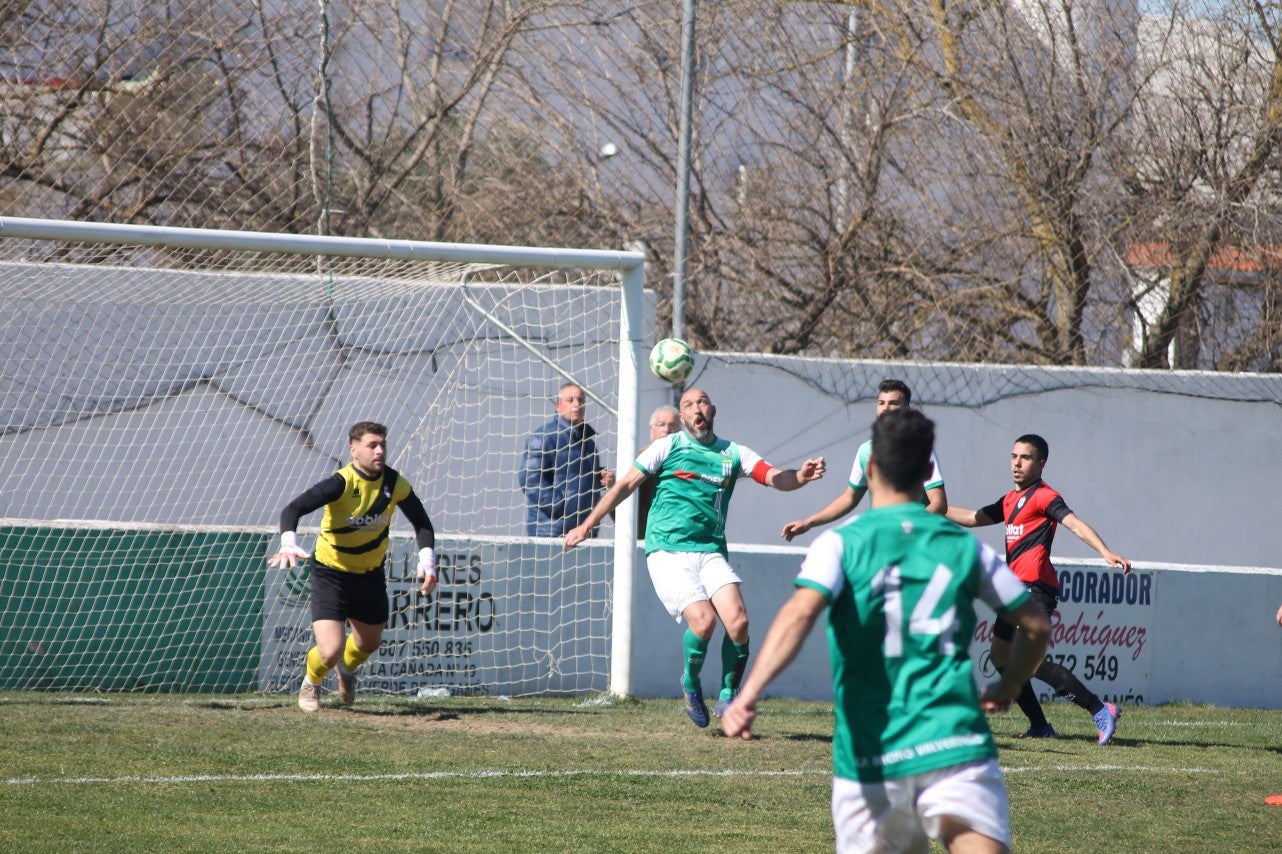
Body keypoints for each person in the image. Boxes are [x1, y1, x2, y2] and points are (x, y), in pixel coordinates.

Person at [722, 409, 1050, 854]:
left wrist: (749, 693)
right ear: (925, 473)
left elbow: (800, 613)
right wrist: (1009, 685)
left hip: (871, 753)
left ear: (871, 469)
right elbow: (1035, 624)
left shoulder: (841, 543)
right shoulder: (962, 547)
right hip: (954, 743)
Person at [564, 387, 826, 727]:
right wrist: (587, 525)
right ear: (683, 418)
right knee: (704, 622)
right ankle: (691, 683)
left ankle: (729, 694)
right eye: (687, 405)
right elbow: (625, 485)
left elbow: (774, 477)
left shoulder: (733, 453)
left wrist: (801, 477)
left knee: (739, 622)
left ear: (712, 410)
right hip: (668, 551)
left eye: (701, 402)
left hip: (710, 549)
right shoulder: (667, 446)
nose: (696, 408)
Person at [947, 433, 1132, 744]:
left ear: (1041, 463)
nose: (1017, 463)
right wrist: (928, 502)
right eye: (1014, 456)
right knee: (1001, 658)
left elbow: (1075, 524)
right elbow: (969, 517)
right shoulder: (1009, 500)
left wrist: (1105, 551)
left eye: (1026, 457)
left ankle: (1100, 710)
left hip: (1035, 589)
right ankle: (1040, 726)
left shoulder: (1045, 497)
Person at [268, 421, 438, 712]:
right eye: (372, 445)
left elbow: (421, 522)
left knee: (369, 643)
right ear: (353, 449)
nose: (379, 451)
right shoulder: (341, 482)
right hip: (331, 573)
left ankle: (346, 671)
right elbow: (292, 510)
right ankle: (312, 682)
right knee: (330, 649)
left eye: (383, 445)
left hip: (369, 575)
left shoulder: (394, 483)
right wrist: (288, 541)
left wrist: (428, 560)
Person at [782, 378, 946, 542]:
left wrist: (904, 527)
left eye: (893, 403)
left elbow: (938, 503)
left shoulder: (921, 449)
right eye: (881, 403)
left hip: (917, 541)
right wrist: (809, 522)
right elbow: (849, 498)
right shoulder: (866, 450)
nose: (885, 408)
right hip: (882, 542)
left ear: (906, 409)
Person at [519, 383, 615, 537]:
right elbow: (530, 481)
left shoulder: (588, 443)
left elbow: (575, 477)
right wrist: (562, 507)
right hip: (551, 531)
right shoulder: (543, 437)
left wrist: (601, 478)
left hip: (585, 531)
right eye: (570, 400)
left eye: (581, 400)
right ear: (558, 406)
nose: (577, 404)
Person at [636, 404, 680, 538]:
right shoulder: (637, 460)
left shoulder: (686, 461)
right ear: (652, 429)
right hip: (644, 538)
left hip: (677, 537)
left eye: (672, 425)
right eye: (661, 425)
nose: (667, 429)